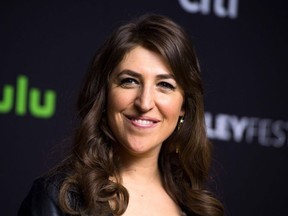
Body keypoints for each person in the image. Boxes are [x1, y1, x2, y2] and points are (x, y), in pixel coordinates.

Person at [18, 13, 224, 216]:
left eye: (164, 85)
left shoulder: (198, 209)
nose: (144, 103)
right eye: (129, 81)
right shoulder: (56, 197)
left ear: (184, 106)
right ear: (105, 93)